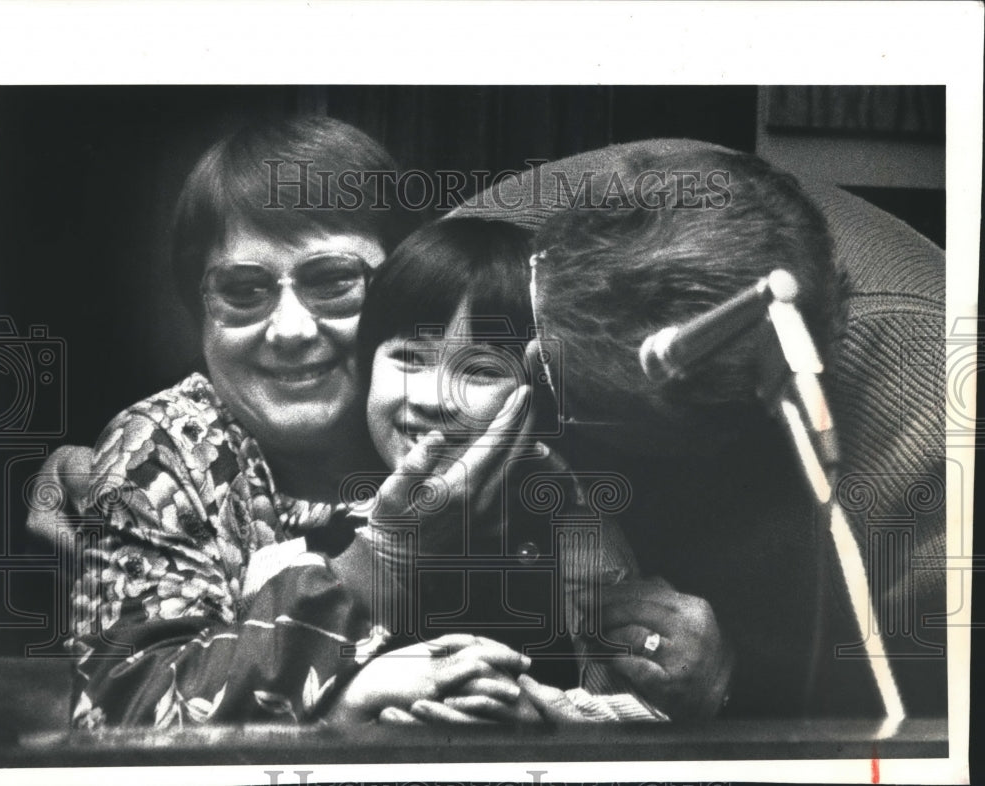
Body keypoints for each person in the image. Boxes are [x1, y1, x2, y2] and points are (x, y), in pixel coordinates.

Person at [61, 115, 541, 728]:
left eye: (333, 280)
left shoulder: (478, 421)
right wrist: (347, 695)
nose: (290, 330)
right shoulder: (161, 452)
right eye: (242, 291)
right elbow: (117, 707)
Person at [456, 142, 947, 719]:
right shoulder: (465, 260)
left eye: (710, 441)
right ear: (543, 357)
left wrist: (741, 686)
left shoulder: (935, 404)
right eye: (620, 432)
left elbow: (940, 705)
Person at [332, 216, 665, 723]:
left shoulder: (574, 527)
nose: (432, 399)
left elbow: (630, 701)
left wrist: (547, 719)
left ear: (541, 393)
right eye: (409, 358)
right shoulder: (324, 524)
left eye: (481, 371)